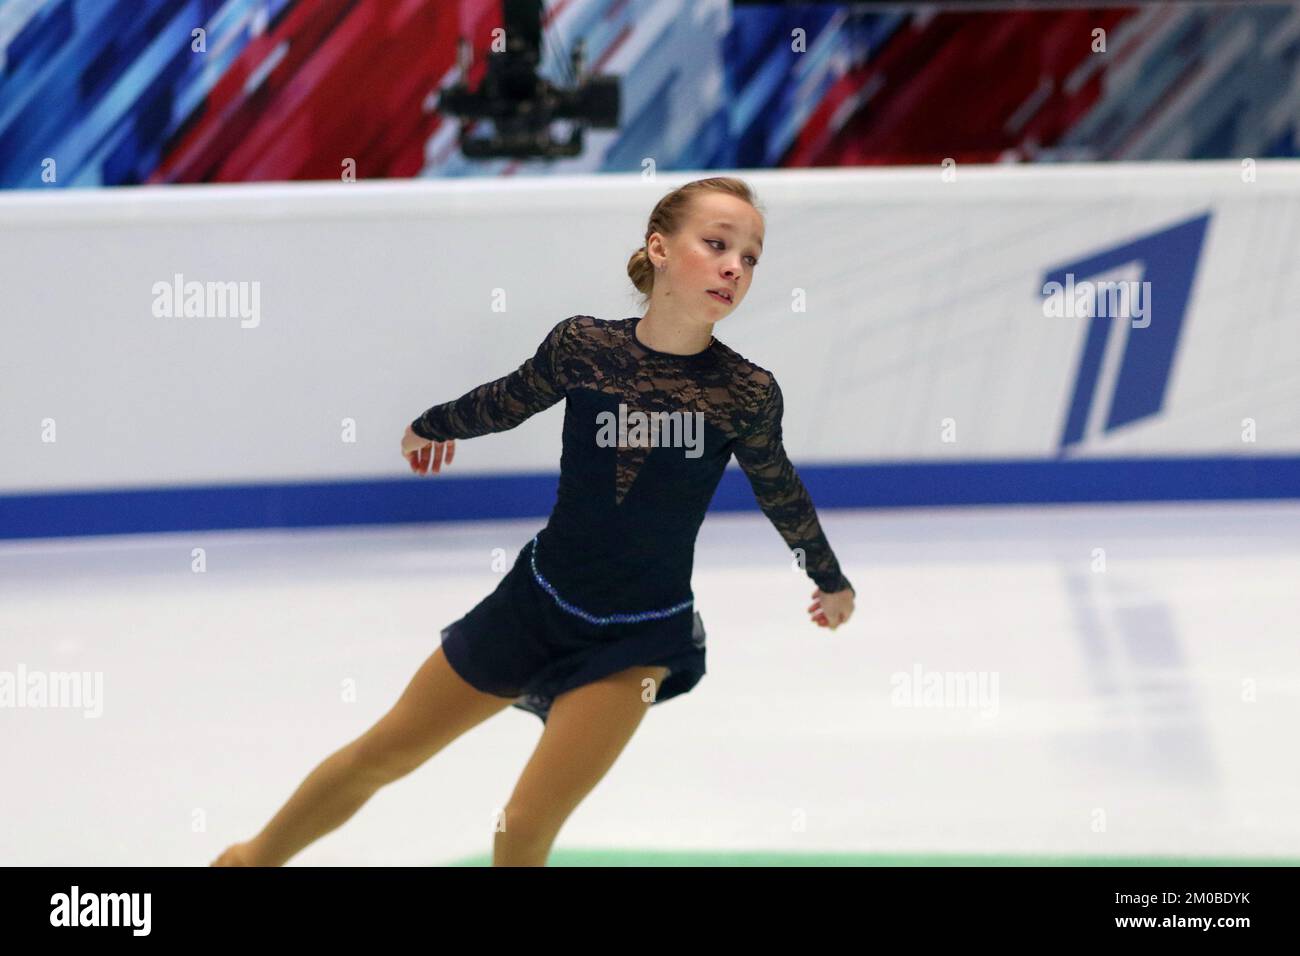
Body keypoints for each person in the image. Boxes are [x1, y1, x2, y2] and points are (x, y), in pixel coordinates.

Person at [212, 176, 854, 868]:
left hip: (637, 637)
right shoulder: (583, 345)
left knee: (522, 827)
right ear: (660, 248)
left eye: (752, 258)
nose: (736, 267)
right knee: (386, 752)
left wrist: (829, 579)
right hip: (535, 604)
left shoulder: (746, 392)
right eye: (718, 244)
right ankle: (246, 862)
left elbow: (778, 487)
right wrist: (431, 425)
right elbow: (509, 399)